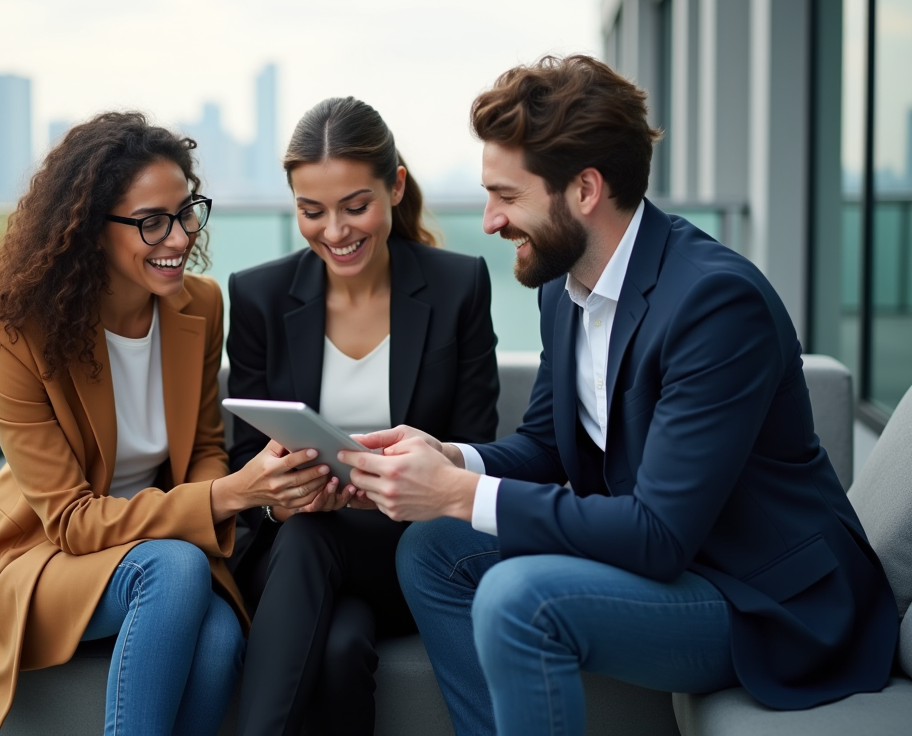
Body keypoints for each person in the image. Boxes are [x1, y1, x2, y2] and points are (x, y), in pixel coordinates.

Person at [340, 56, 899, 736]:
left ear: (584, 190)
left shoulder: (716, 304)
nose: (489, 221)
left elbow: (659, 536)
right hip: (679, 565)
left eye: (507, 197)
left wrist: (458, 495)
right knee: (431, 549)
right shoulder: (563, 288)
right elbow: (546, 446)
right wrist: (454, 462)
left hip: (763, 599)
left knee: (520, 599)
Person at [0, 112, 334, 736]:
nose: (178, 238)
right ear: (92, 230)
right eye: (151, 222)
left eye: (186, 212)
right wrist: (229, 494)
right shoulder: (21, 334)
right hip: (41, 557)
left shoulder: (198, 305)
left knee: (222, 636)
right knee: (175, 570)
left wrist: (231, 488)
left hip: (167, 550)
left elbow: (202, 447)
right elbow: (70, 520)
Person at [226, 96, 500, 736]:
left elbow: (474, 446)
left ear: (395, 185)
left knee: (315, 548)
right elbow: (246, 455)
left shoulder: (458, 286)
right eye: (311, 211)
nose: (336, 231)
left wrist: (392, 486)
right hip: (297, 546)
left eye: (356, 206)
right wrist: (281, 498)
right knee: (341, 644)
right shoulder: (259, 296)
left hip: (409, 549)